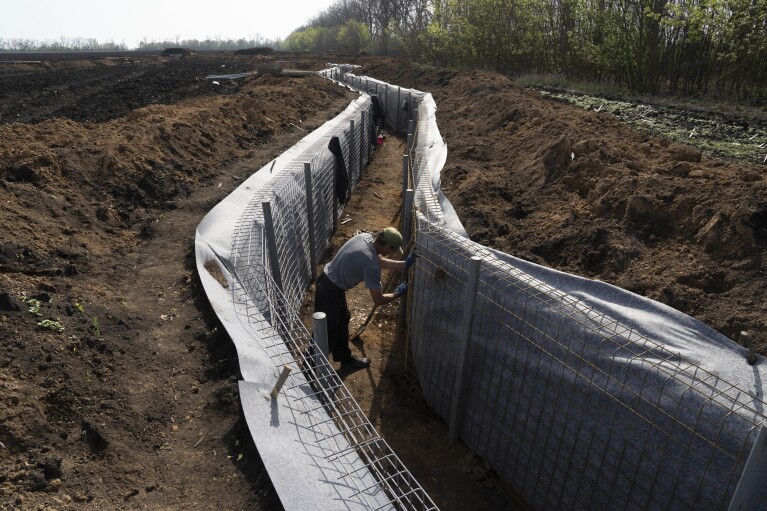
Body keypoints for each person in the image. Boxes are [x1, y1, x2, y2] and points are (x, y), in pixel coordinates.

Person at [314, 227, 417, 370]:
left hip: (328, 281)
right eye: (392, 250)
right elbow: (379, 300)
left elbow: (380, 261)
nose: (392, 253)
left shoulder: (366, 238)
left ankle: (346, 360)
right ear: (386, 245)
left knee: (343, 319)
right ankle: (311, 369)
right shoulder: (371, 265)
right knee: (326, 332)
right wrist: (397, 294)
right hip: (330, 291)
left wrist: (404, 265)